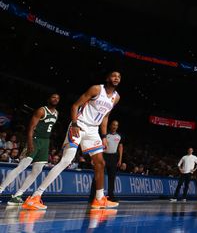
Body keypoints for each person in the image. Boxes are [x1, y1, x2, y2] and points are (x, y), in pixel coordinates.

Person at [23, 71, 122, 210]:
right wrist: (74, 124)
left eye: (119, 77)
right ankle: (35, 197)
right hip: (79, 124)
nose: (116, 78)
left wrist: (104, 136)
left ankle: (99, 199)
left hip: (93, 130)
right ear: (107, 78)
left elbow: (105, 117)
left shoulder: (116, 97)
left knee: (100, 163)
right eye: (114, 76)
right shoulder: (96, 89)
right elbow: (75, 106)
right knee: (66, 160)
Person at [0, 93, 60, 205]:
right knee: (21, 167)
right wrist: (30, 143)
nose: (55, 99)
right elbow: (31, 128)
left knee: (37, 171)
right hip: (35, 140)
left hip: (45, 142)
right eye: (53, 97)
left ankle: (18, 195)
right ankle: (1, 189)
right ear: (49, 99)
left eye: (57, 98)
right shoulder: (42, 110)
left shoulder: (56, 113)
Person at [93, 120, 123, 202]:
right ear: (110, 125)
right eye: (113, 124)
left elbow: (120, 147)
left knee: (112, 177)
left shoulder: (119, 136)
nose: (114, 126)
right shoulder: (105, 135)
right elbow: (99, 145)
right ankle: (95, 195)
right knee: (99, 175)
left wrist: (120, 159)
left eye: (116, 125)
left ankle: (111, 196)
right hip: (104, 156)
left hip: (114, 157)